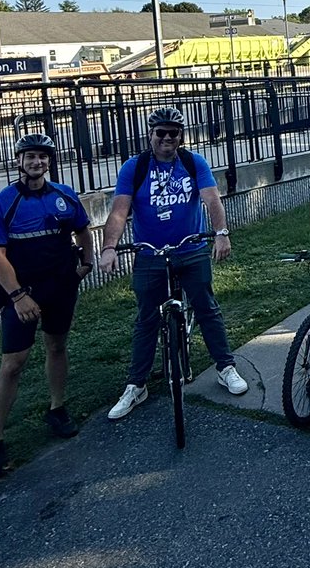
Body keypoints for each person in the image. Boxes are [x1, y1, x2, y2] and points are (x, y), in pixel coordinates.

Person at [101, 106, 248, 420]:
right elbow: (118, 211)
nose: (168, 138)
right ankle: (136, 385)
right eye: (161, 133)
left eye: (174, 133)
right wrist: (109, 248)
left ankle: (225, 367)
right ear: (151, 135)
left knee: (207, 307)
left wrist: (221, 233)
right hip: (149, 253)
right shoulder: (135, 167)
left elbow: (211, 199)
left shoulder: (193, 163)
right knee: (146, 319)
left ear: (181, 136)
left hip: (190, 249)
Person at [0, 134, 94, 478]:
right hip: (22, 293)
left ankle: (57, 408)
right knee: (13, 363)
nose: (37, 162)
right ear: (19, 161)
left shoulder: (64, 195)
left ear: (49, 162)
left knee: (57, 346)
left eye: (43, 157)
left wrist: (87, 264)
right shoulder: (3, 202)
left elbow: (83, 231)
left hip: (61, 287)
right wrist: (18, 296)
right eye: (31, 156)